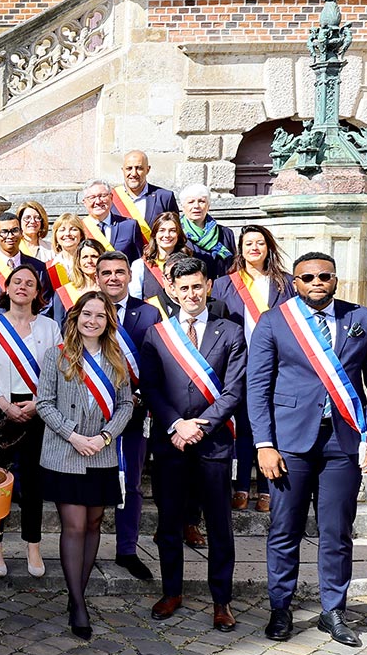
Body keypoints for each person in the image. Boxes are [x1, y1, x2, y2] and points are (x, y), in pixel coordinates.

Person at [250, 252, 367, 648]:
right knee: (285, 530)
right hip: (289, 443)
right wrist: (264, 444)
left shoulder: (361, 319)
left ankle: (333, 611)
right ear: (295, 283)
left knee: (337, 532)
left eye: (324, 276)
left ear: (335, 279)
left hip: (342, 441)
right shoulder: (274, 321)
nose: (317, 282)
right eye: (308, 277)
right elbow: (257, 387)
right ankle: (281, 608)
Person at [138, 255, 245, 632]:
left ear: (208, 286)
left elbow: (235, 390)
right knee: (169, 522)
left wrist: (202, 426)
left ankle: (222, 600)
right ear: (172, 290)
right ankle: (172, 592)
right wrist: (177, 424)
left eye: (197, 286)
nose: (191, 294)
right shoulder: (157, 334)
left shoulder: (230, 332)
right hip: (171, 442)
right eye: (183, 288)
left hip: (214, 444)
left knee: (219, 526)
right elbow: (150, 387)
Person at [35, 291, 133, 641]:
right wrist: (73, 436)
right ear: (75, 318)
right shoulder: (57, 355)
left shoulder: (116, 357)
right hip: (66, 452)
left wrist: (105, 437)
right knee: (74, 525)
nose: (93, 321)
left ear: (108, 322)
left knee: (93, 523)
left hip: (101, 453)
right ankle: (78, 604)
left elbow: (126, 405)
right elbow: (44, 403)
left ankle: (79, 588)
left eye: (100, 316)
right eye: (87, 314)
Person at [0, 264, 60, 579]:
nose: (22, 286)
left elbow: (59, 371)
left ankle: (33, 545)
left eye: (29, 283)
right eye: (17, 281)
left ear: (37, 293)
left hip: (38, 412)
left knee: (34, 482)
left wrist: (38, 403)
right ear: (7, 288)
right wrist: (4, 405)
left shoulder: (50, 327)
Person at [213, 225, 295, 513]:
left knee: (270, 423)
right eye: (248, 243)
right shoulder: (224, 284)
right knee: (245, 426)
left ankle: (266, 488)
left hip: (275, 364)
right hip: (239, 364)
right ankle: (241, 486)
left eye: (260, 243)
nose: (254, 248)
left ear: (268, 247)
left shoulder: (286, 283)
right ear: (241, 249)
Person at [94, 250, 163, 583]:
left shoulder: (148, 313)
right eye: (106, 272)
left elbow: (155, 362)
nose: (113, 278)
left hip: (134, 411)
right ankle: (87, 548)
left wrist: (139, 396)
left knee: (131, 484)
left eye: (119, 272)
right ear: (96, 277)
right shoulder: (86, 311)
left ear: (129, 275)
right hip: (92, 416)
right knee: (90, 483)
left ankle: (127, 550)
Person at [0, 212, 47, 319]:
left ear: (21, 233)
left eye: (14, 230)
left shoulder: (38, 267)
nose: (10, 236)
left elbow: (45, 304)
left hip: (31, 327)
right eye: (4, 232)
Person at [112, 150, 179, 246]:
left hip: (155, 254)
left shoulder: (164, 197)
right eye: (129, 168)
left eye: (139, 168)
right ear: (123, 170)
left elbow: (176, 230)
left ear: (148, 170)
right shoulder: (111, 198)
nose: (134, 173)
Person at [129, 212, 188, 318]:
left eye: (172, 230)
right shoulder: (139, 265)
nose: (167, 235)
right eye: (162, 230)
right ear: (154, 235)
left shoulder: (189, 263)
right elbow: (135, 301)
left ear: (179, 235)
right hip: (152, 321)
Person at [179, 184, 235, 280]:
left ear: (208, 206)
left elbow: (234, 266)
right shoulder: (177, 233)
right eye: (191, 202)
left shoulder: (225, 234)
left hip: (220, 287)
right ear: (183, 207)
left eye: (202, 201)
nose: (196, 206)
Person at [80, 180, 141, 261]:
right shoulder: (80, 228)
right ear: (84, 202)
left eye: (102, 196)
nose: (98, 201)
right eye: (92, 197)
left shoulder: (129, 226)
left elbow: (138, 261)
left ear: (111, 197)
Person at [48, 239, 105, 323]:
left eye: (94, 256)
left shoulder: (110, 291)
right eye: (85, 257)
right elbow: (58, 325)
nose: (89, 261)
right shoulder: (64, 293)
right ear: (78, 262)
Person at [47, 212, 86, 291]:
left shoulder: (89, 262)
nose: (67, 233)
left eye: (73, 229)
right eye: (62, 230)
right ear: (56, 236)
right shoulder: (50, 266)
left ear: (81, 235)